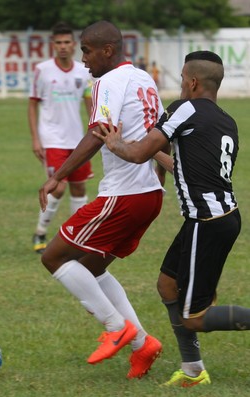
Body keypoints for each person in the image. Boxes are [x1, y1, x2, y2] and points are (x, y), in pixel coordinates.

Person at [93, 50, 250, 387]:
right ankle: (193, 370)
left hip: (206, 223)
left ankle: (195, 367)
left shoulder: (185, 109)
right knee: (167, 284)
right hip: (220, 218)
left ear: (192, 82)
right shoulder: (226, 120)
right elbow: (186, 168)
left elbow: (137, 155)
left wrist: (115, 142)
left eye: (181, 80)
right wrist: (150, 150)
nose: (179, 87)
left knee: (195, 317)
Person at [38, 20, 168, 379]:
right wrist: (162, 178)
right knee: (92, 267)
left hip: (124, 194)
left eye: (87, 50)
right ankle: (143, 345)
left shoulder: (107, 82)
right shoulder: (144, 79)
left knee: (54, 257)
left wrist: (57, 176)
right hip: (150, 195)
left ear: (107, 50)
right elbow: (160, 135)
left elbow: (97, 135)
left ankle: (116, 327)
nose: (83, 60)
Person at [28, 21, 94, 254]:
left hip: (78, 139)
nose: (63, 46)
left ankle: (77, 238)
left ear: (74, 44)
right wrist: (36, 139)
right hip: (52, 138)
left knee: (79, 188)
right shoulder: (42, 70)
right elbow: (32, 104)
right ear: (53, 45)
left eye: (67, 42)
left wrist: (94, 131)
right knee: (57, 188)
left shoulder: (82, 70)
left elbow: (89, 102)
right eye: (59, 43)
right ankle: (40, 232)